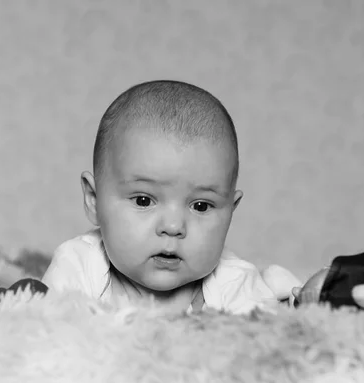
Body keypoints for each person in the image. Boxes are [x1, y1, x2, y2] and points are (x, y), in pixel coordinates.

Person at [41, 80, 283, 315]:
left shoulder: (236, 284)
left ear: (231, 211)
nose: (173, 226)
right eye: (143, 201)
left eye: (200, 206)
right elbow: (47, 337)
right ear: (94, 200)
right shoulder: (78, 267)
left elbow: (265, 345)